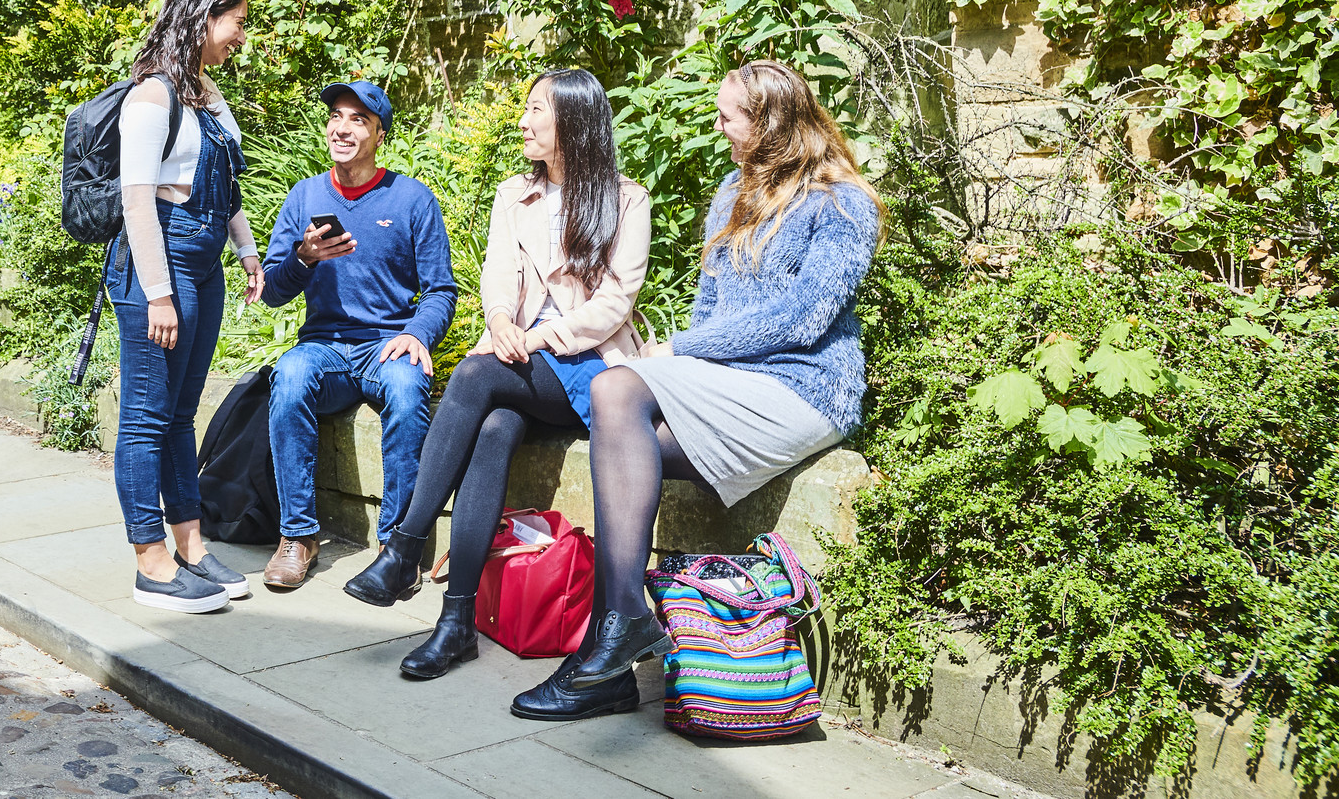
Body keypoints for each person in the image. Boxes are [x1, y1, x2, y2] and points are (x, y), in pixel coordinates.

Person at [509, 58, 879, 723]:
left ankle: (613, 630)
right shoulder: (728, 195)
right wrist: (689, 355)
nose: (716, 127)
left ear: (767, 124)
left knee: (616, 389)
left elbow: (805, 317)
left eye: (727, 116)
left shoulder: (840, 203)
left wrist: (679, 351)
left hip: (803, 390)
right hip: (728, 388)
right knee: (628, 437)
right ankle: (614, 650)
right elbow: (710, 309)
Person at [344, 68, 652, 682]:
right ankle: (456, 622)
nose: (523, 120)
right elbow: (496, 274)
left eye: (537, 109)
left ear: (573, 119)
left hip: (589, 369)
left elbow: (614, 304)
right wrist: (500, 321)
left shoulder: (626, 198)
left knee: (474, 377)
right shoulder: (515, 193)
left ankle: (404, 547)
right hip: (519, 366)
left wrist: (532, 337)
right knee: (492, 428)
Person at [257, 80, 456, 590]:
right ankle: (298, 536)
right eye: (337, 117)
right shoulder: (304, 196)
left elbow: (440, 290)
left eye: (358, 120)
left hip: (386, 345)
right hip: (324, 346)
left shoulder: (412, 199)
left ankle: (397, 547)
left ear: (379, 134)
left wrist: (417, 334)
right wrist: (303, 259)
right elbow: (274, 291)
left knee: (410, 393)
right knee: (290, 375)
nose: (342, 128)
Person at [109, 0, 265, 613]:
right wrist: (158, 294)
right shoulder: (150, 97)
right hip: (160, 266)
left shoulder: (202, 90)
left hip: (201, 264)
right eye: (237, 22)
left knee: (178, 416)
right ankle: (150, 560)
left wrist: (247, 250)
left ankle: (192, 549)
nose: (241, 36)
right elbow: (137, 201)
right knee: (145, 419)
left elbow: (223, 183)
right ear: (204, 17)